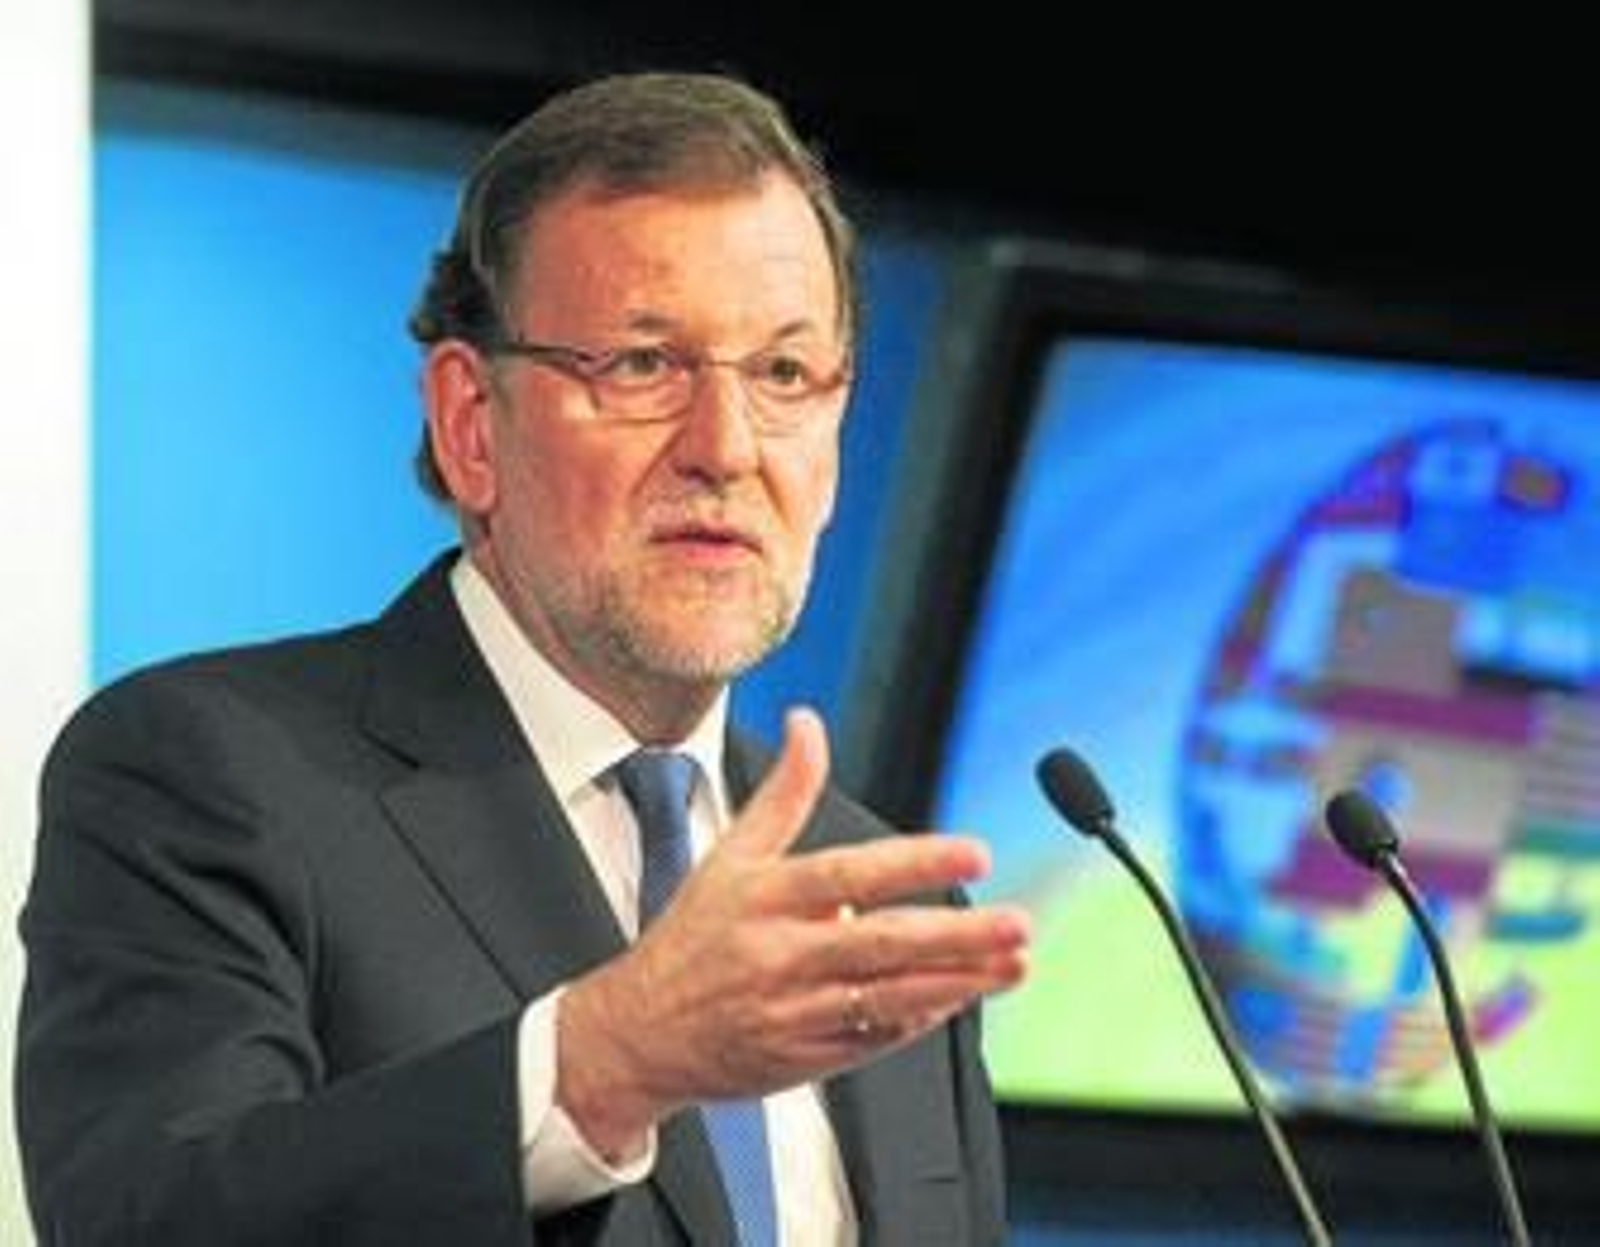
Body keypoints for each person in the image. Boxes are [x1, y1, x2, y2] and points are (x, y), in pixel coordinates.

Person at [14, 70, 1031, 1246]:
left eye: (783, 375)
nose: (726, 446)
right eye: (642, 364)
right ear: (470, 424)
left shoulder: (881, 905)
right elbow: (150, 1221)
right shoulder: (210, 774)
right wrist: (600, 1063)